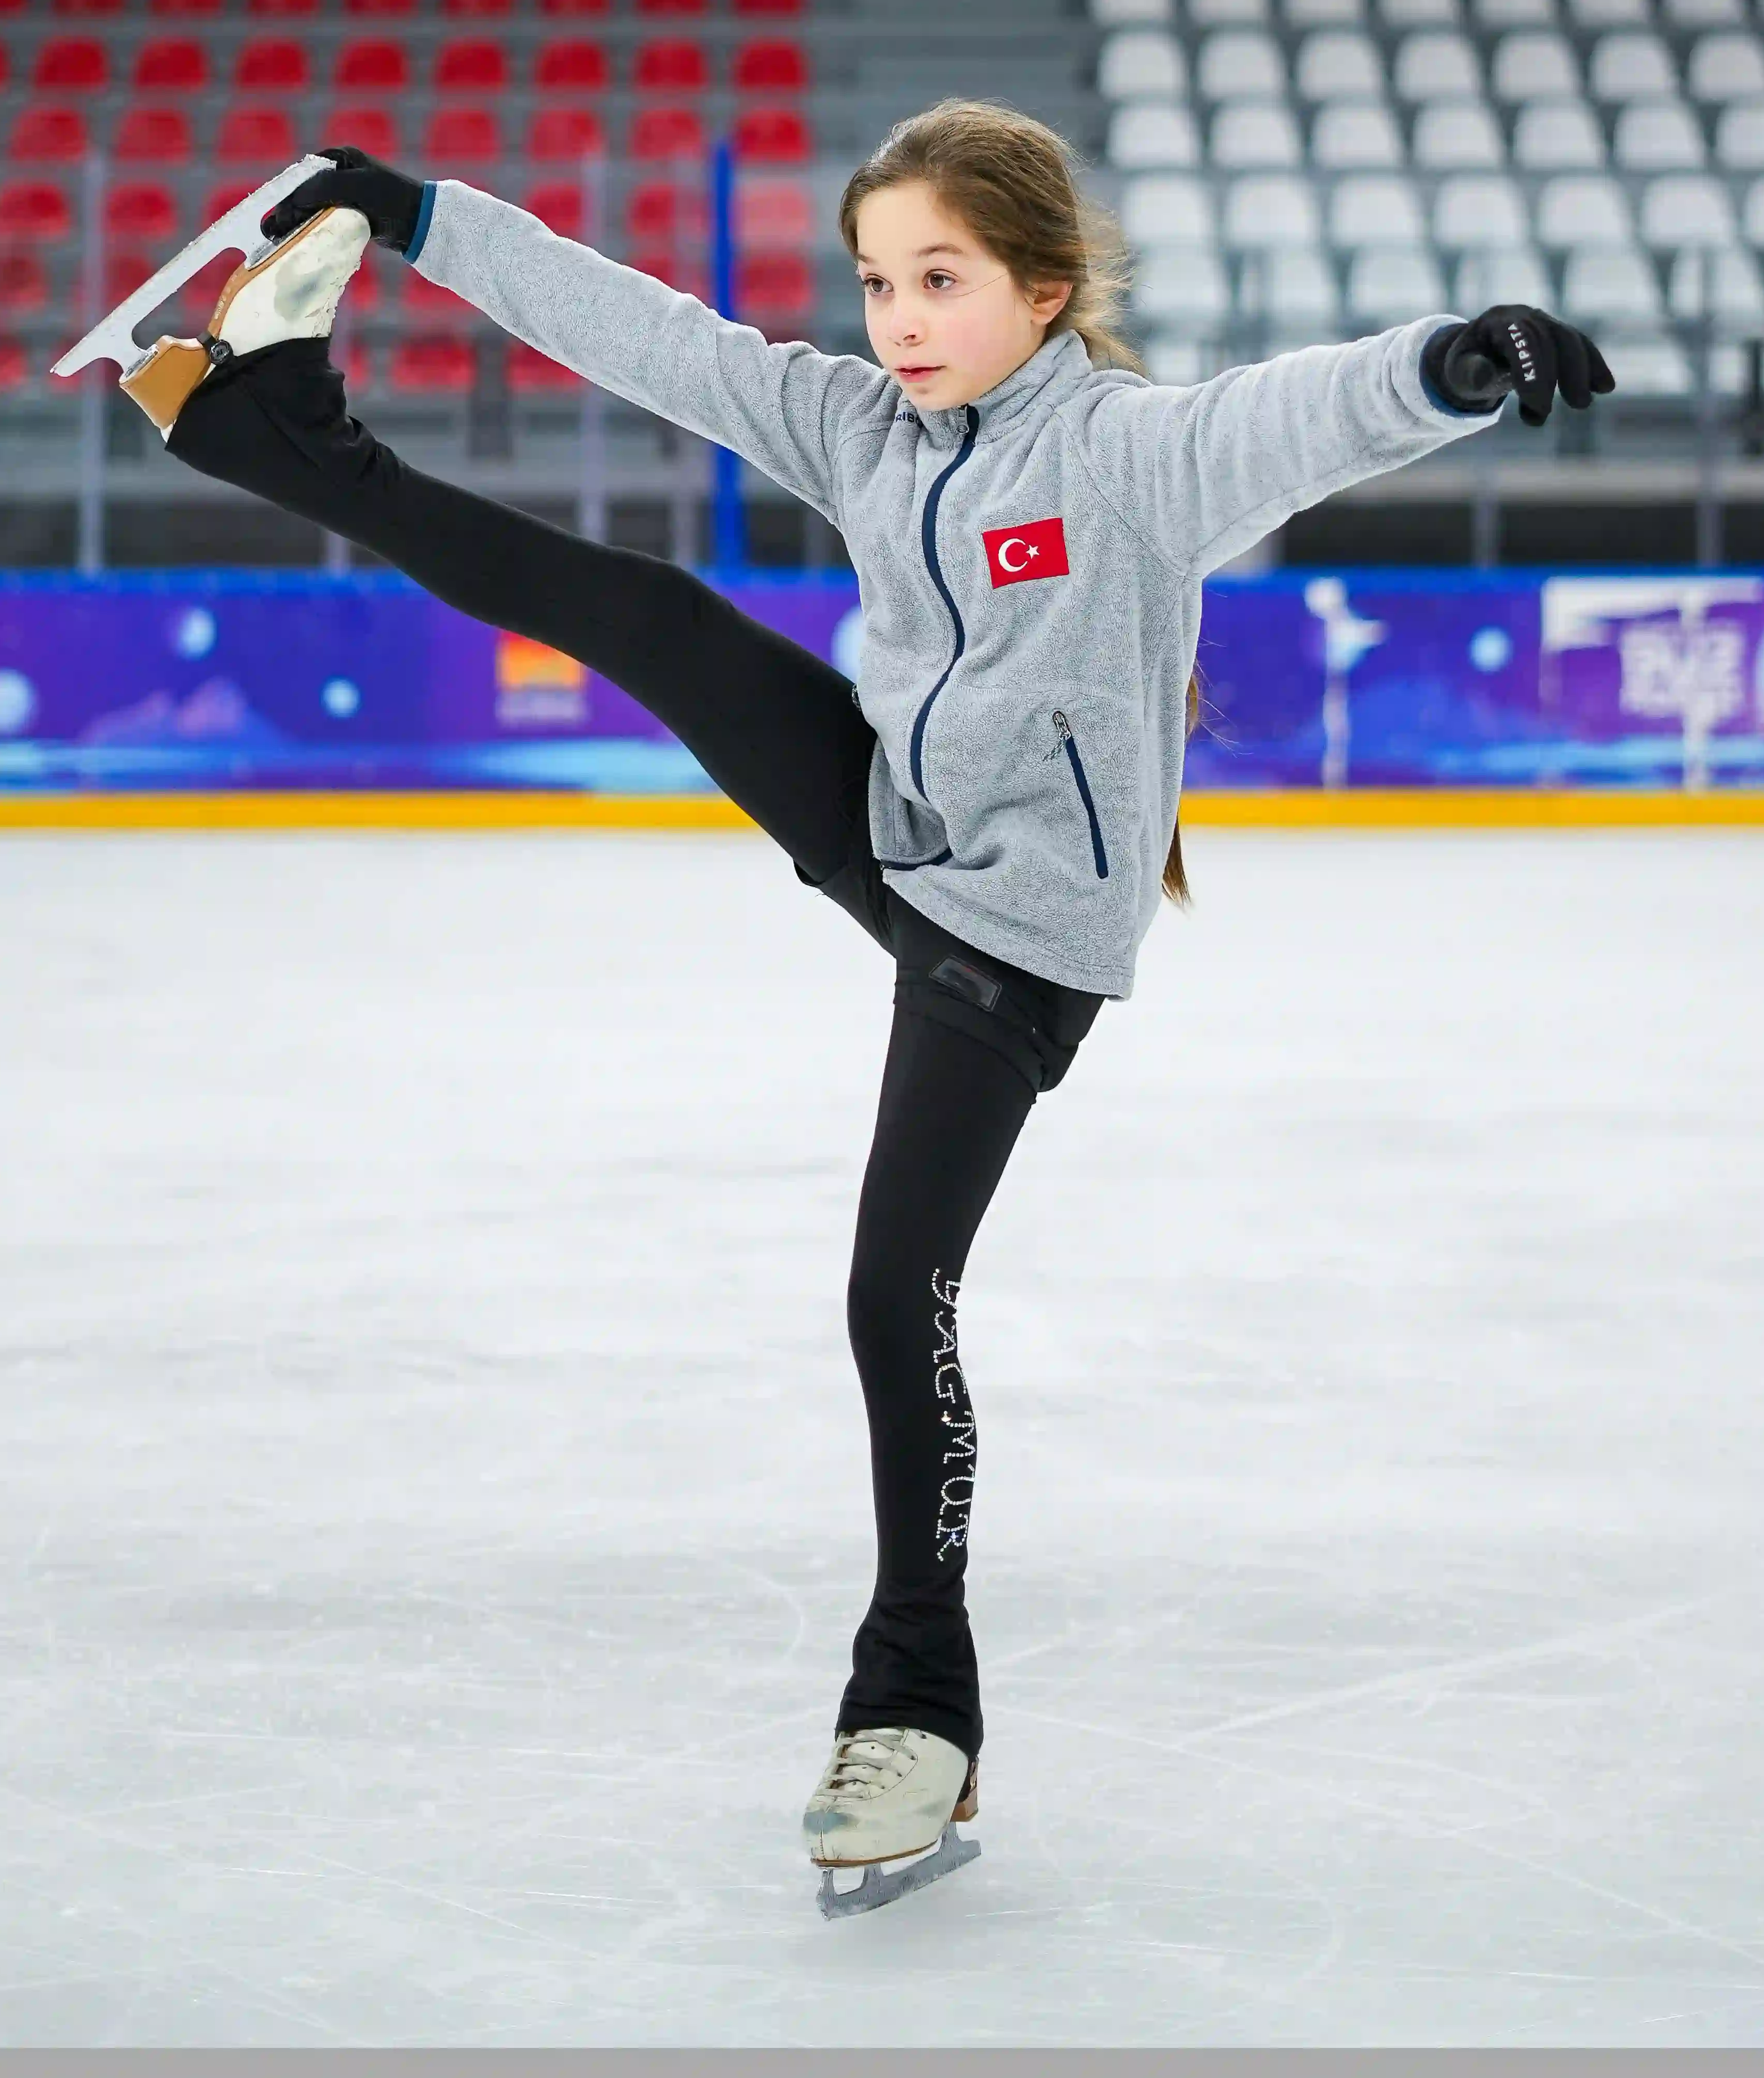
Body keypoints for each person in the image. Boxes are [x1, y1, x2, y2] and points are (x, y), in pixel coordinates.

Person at [89, 100, 1613, 1918]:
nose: (898, 316)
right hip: (887, 815)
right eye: (880, 277)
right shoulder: (868, 429)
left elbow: (1291, 414)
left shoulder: (1127, 456)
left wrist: (1457, 357)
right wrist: (414, 213)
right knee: (642, 606)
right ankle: (281, 424)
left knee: (895, 1291)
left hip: (1020, 941)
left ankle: (917, 1710)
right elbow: (651, 332)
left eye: (942, 279)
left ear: (1046, 291)